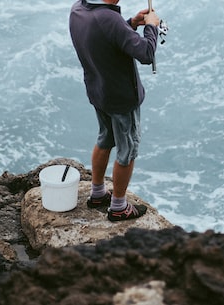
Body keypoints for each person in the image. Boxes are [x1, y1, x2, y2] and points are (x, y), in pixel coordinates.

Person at [69, 0, 160, 221]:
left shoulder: (79, 9)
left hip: (99, 91)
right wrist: (152, 27)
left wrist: (130, 24)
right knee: (127, 150)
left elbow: (105, 36)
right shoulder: (109, 18)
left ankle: (98, 193)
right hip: (121, 98)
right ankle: (118, 206)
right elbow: (146, 53)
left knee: (105, 138)